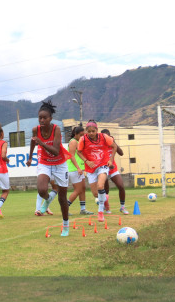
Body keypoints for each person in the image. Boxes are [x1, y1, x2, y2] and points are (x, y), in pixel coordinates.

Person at [27, 100, 70, 236]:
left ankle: (66, 225)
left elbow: (56, 151)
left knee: (62, 199)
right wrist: (30, 157)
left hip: (59, 164)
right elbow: (33, 142)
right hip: (45, 163)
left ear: (50, 118)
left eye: (45, 118)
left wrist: (42, 143)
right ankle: (48, 198)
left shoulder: (56, 129)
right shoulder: (36, 130)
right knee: (41, 190)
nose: (42, 120)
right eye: (40, 117)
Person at [77, 120, 118, 223]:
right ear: (86, 131)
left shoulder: (104, 137)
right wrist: (86, 161)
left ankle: (100, 212)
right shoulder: (83, 139)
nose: (91, 133)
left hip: (103, 165)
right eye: (89, 131)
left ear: (97, 130)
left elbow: (114, 146)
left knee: (100, 186)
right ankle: (105, 199)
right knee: (96, 194)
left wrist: (110, 159)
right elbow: (78, 152)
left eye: (93, 131)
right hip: (91, 168)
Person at [100, 129, 128, 214]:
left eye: (107, 137)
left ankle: (122, 207)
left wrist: (114, 142)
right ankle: (106, 207)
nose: (106, 138)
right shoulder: (99, 145)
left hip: (113, 168)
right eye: (104, 137)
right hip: (103, 168)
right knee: (106, 190)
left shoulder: (112, 143)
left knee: (121, 186)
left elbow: (121, 153)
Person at [66, 125, 93, 215]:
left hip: (79, 169)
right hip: (73, 169)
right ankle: (65, 208)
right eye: (81, 135)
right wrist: (77, 167)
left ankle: (83, 209)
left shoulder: (78, 141)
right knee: (78, 190)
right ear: (75, 134)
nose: (83, 137)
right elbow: (72, 155)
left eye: (84, 135)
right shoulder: (73, 141)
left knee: (83, 189)